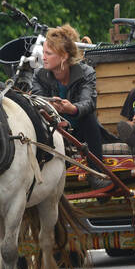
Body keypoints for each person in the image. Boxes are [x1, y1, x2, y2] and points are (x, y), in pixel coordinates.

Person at [30, 24, 108, 186]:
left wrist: (72, 109)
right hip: (52, 129)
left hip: (78, 131)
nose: (43, 57)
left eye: (48, 54)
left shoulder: (86, 72)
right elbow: (37, 99)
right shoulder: (39, 75)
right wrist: (51, 107)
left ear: (64, 56)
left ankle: (97, 175)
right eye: (43, 52)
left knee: (89, 119)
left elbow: (89, 102)